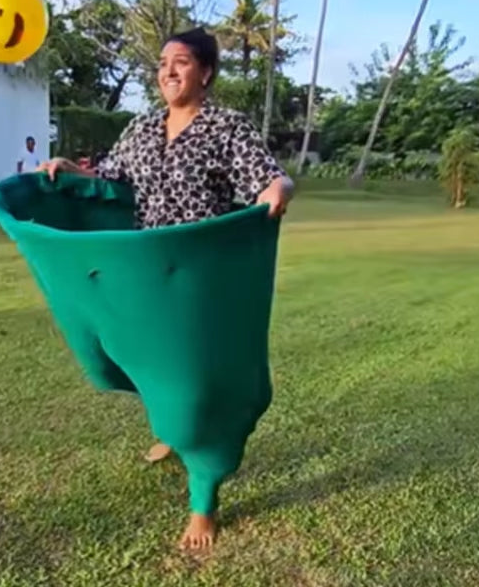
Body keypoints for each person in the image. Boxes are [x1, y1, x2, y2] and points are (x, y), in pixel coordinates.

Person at [37, 27, 294, 549]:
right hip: (149, 279)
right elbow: (110, 178)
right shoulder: (142, 127)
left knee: (199, 387)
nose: (168, 72)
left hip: (201, 283)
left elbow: (270, 179)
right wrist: (71, 170)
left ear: (206, 72)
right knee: (140, 365)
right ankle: (171, 432)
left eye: (180, 62)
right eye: (161, 63)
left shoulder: (227, 127)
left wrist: (279, 189)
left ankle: (203, 502)